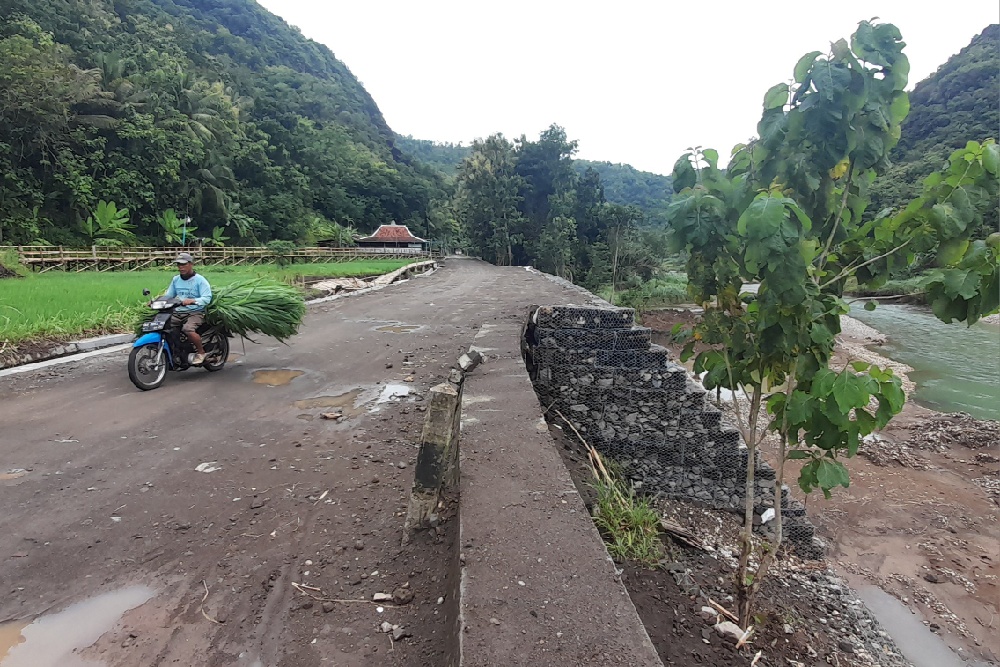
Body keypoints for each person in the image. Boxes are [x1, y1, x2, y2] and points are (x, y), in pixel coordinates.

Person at [160, 252, 212, 365]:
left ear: (191, 264)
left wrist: (192, 301)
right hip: (178, 311)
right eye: (179, 264)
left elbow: (207, 298)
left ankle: (201, 353)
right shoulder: (176, 279)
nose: (181, 267)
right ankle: (175, 351)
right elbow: (169, 295)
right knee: (162, 326)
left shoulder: (200, 280)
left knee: (188, 329)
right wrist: (156, 301)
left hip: (195, 312)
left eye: (184, 264)